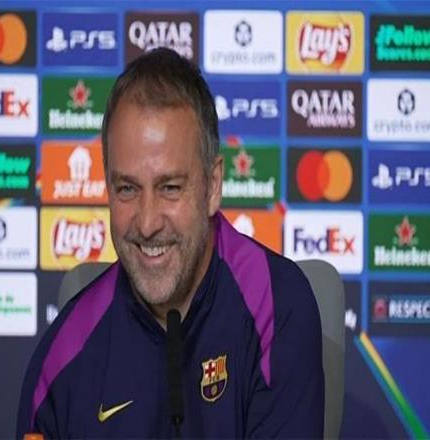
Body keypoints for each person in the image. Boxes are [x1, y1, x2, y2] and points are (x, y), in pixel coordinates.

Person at [17, 47, 324, 438]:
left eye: (170, 188)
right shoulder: (62, 357)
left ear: (213, 186)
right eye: (127, 189)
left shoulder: (275, 305)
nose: (147, 223)